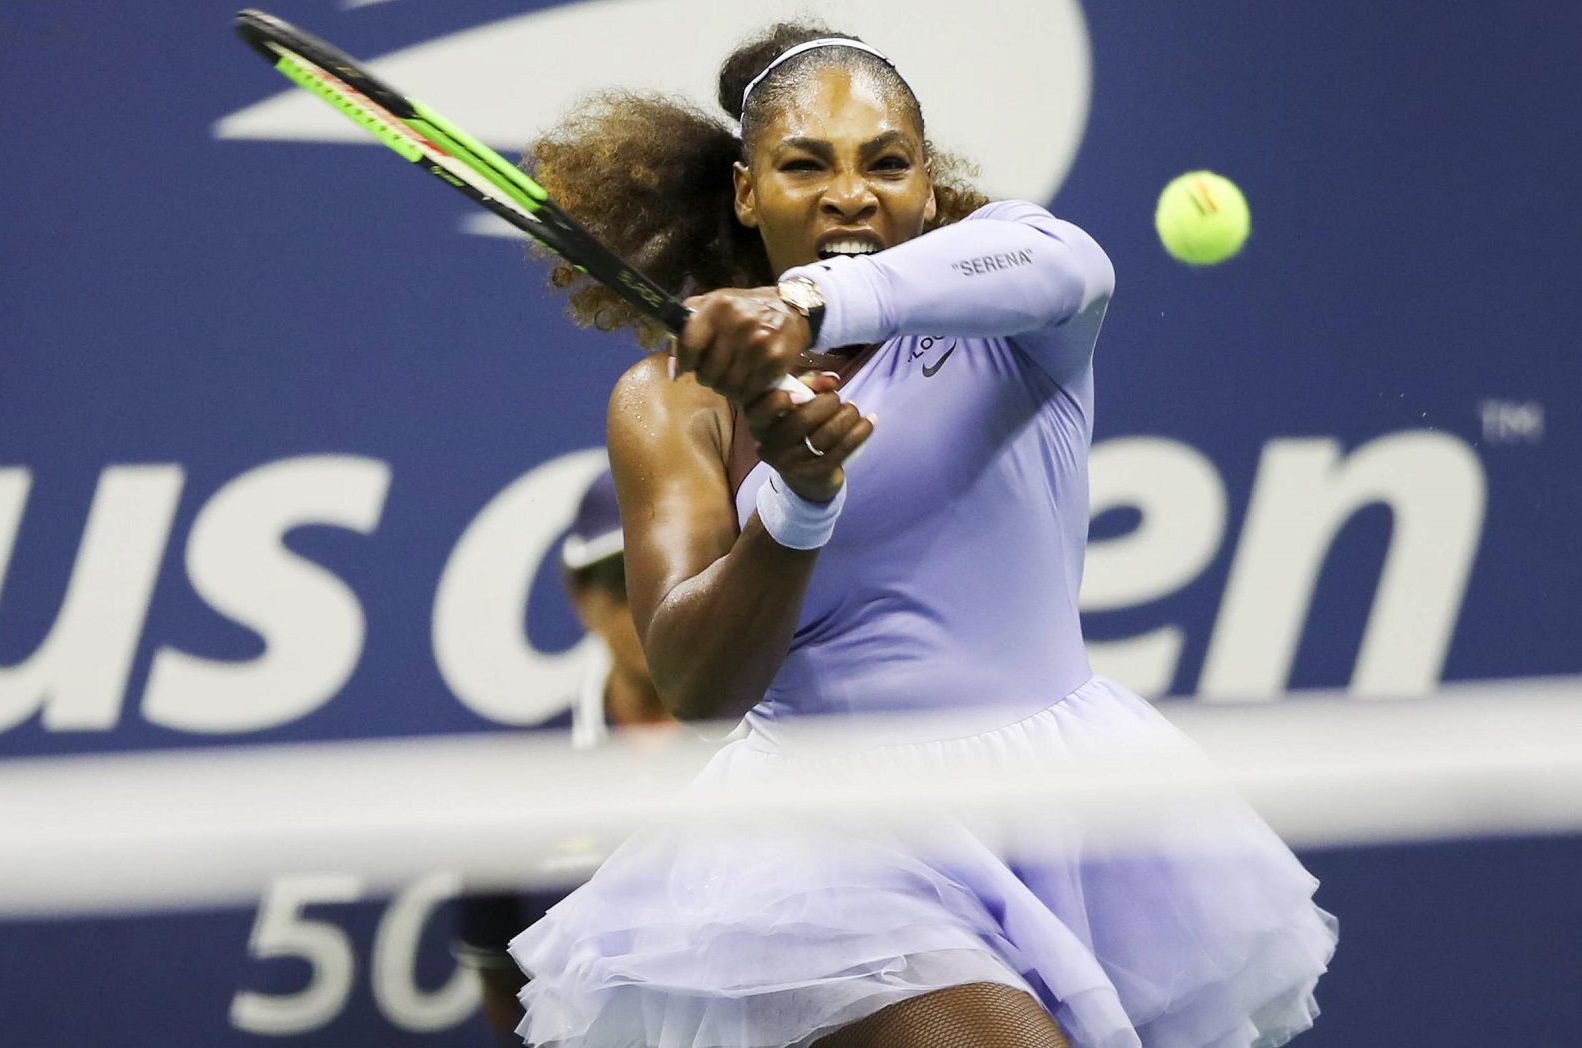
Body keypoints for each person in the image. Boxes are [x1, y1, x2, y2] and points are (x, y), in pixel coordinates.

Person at [508, 23, 1337, 1048]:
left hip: (1074, 802)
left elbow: (1069, 261)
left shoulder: (1021, 317)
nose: (849, 194)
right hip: (828, 843)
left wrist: (805, 303)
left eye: (886, 162)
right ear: (746, 193)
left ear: (932, 188)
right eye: (804, 165)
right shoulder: (674, 402)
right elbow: (695, 687)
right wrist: (798, 501)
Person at [454, 469, 674, 1045]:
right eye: (623, 580)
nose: (649, 602)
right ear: (581, 597)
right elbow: (505, 984)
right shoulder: (517, 777)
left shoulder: (783, 745)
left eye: (674, 569)